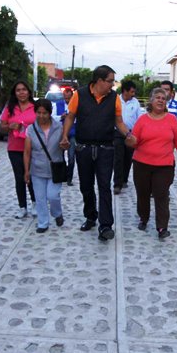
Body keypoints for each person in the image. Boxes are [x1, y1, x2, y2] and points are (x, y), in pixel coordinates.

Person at [60, 65, 131, 241]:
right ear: (99, 81)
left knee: (104, 186)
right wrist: (65, 136)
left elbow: (119, 121)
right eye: (110, 81)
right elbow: (70, 116)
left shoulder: (114, 98)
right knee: (86, 186)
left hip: (106, 149)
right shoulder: (79, 95)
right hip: (83, 148)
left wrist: (128, 134)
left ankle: (105, 225)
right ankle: (91, 216)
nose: (112, 84)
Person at [130, 87, 177, 239]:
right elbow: (134, 140)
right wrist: (129, 140)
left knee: (161, 195)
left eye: (163, 98)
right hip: (141, 164)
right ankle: (143, 217)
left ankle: (162, 227)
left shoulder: (172, 120)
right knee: (143, 193)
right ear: (151, 100)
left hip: (164, 165)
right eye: (158, 97)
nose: (161, 100)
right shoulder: (142, 120)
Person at [24, 99, 66, 233]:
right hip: (37, 169)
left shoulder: (59, 127)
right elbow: (27, 152)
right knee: (40, 198)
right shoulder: (31, 129)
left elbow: (65, 144)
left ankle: (57, 213)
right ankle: (43, 223)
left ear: (50, 113)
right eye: (39, 112)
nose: (41, 116)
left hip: (55, 168)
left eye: (45, 113)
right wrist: (26, 171)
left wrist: (65, 145)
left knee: (53, 196)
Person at [0, 81, 37, 218]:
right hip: (15, 147)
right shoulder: (9, 108)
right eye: (18, 90)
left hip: (33, 147)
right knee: (19, 177)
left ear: (29, 92)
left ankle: (35, 203)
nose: (21, 92)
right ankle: (22, 207)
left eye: (24, 89)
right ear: (14, 93)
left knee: (32, 176)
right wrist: (9, 126)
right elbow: (2, 126)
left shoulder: (35, 107)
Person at [114, 79, 143, 195]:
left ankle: (124, 179)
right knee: (118, 158)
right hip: (117, 133)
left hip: (131, 134)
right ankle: (117, 184)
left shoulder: (135, 103)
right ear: (125, 91)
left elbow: (139, 118)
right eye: (131, 92)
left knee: (128, 158)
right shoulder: (116, 100)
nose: (133, 94)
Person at [62, 87, 76, 185]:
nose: (67, 100)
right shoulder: (57, 104)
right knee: (60, 157)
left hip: (73, 134)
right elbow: (52, 117)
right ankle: (63, 174)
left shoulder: (76, 105)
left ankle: (69, 178)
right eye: (65, 97)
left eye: (68, 98)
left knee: (71, 157)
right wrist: (61, 117)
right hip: (61, 134)